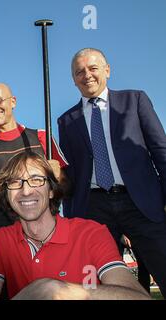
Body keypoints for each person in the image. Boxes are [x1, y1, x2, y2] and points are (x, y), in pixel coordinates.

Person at [57, 48, 166, 297]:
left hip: (141, 203)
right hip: (93, 208)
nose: (87, 75)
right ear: (73, 79)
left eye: (93, 68)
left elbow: (161, 150)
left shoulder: (135, 100)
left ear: (107, 70)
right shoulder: (66, 120)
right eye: (79, 72)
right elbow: (71, 174)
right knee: (100, 284)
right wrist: (72, 217)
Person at [0, 151, 150, 300]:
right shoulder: (2, 239)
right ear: (6, 194)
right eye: (15, 182)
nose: (26, 191)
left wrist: (58, 291)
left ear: (51, 190)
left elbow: (139, 296)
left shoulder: (91, 233)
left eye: (36, 180)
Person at [0, 82, 68, 285]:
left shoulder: (41, 138)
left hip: (44, 236)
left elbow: (67, 187)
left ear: (13, 102)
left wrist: (58, 177)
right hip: (3, 237)